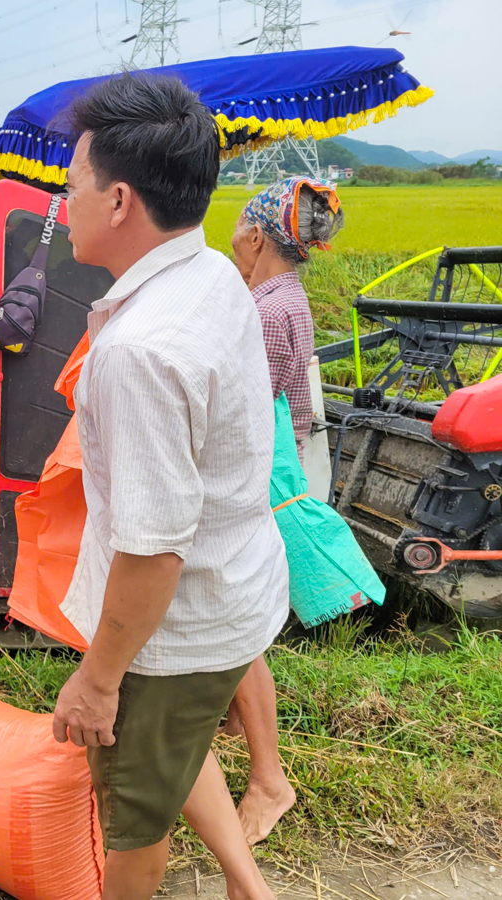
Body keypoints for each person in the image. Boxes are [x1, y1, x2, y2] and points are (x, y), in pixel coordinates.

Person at [51, 74, 288, 900]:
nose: (63, 203)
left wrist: (99, 679)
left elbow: (153, 553)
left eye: (72, 185)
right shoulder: (212, 273)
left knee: (134, 824)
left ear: (119, 201)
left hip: (170, 630)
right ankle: (249, 887)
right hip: (235, 592)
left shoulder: (141, 352)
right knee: (178, 751)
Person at [224, 176, 345, 844]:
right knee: (236, 626)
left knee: (235, 627)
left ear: (258, 236)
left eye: (238, 230)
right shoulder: (280, 296)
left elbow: (250, 411)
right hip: (268, 473)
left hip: (255, 482)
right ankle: (237, 717)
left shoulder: (266, 310)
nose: (232, 242)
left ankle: (269, 780)